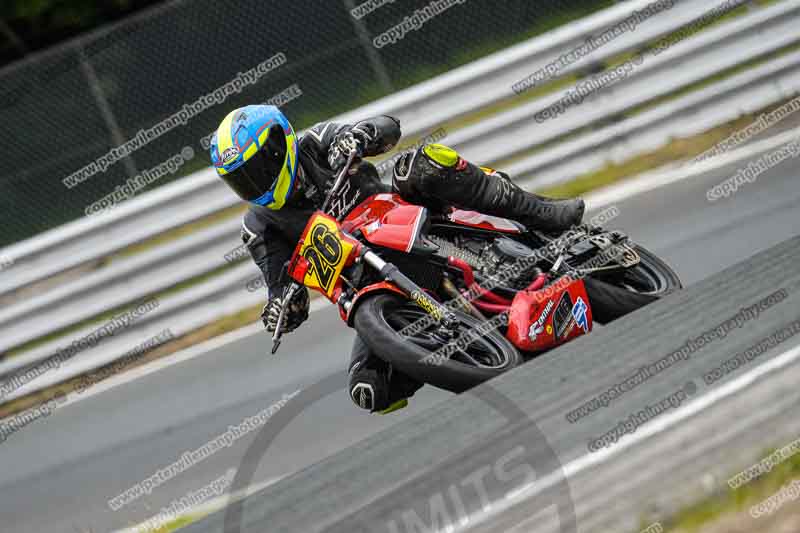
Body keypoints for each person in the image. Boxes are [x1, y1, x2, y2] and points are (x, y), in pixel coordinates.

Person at [209, 104, 584, 414]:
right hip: (367, 282)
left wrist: (360, 136)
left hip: (403, 218)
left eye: (257, 169)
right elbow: (279, 285)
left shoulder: (316, 143)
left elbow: (388, 127)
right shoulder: (258, 227)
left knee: (423, 164)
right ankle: (473, 349)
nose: (254, 184)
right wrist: (280, 309)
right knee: (368, 389)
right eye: (241, 179)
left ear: (279, 145)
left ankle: (542, 213)